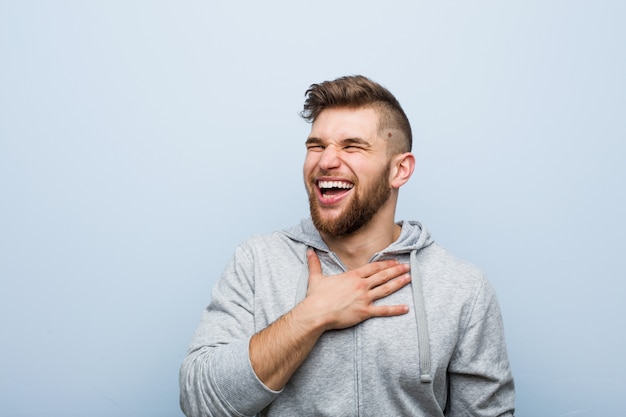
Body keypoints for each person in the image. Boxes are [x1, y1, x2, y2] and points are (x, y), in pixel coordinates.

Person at [179, 75, 515, 416]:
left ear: (400, 169)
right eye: (316, 146)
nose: (326, 161)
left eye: (352, 146)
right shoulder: (256, 262)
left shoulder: (462, 288)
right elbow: (200, 403)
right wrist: (312, 315)